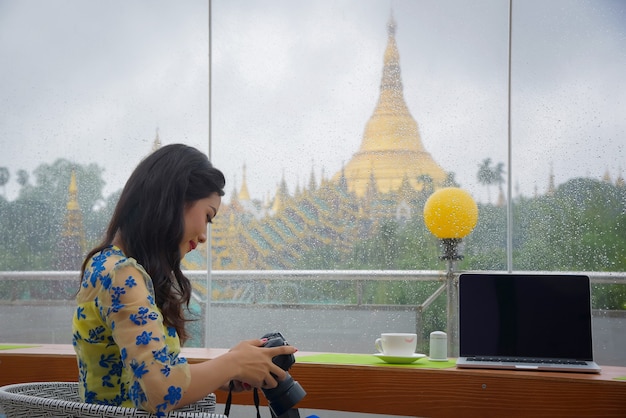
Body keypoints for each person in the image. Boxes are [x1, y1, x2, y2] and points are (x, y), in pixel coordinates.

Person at [72, 144, 296, 415]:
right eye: (208, 217)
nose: (203, 235)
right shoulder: (123, 275)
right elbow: (160, 394)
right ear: (174, 199)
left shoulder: (105, 263)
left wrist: (227, 369)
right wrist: (234, 363)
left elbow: (141, 373)